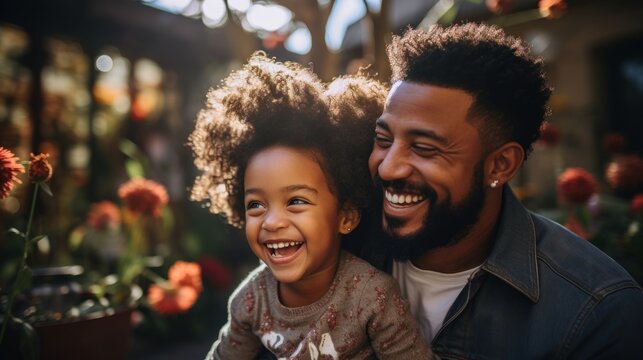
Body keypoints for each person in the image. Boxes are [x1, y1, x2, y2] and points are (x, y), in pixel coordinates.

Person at [357, 23, 643, 358]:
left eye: (423, 148)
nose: (389, 167)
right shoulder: (336, 248)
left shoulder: (596, 312)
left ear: (501, 165)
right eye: (384, 140)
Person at [189, 53, 432, 359]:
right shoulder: (251, 300)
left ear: (345, 217)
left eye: (296, 201)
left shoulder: (373, 297)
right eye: (256, 205)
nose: (272, 221)